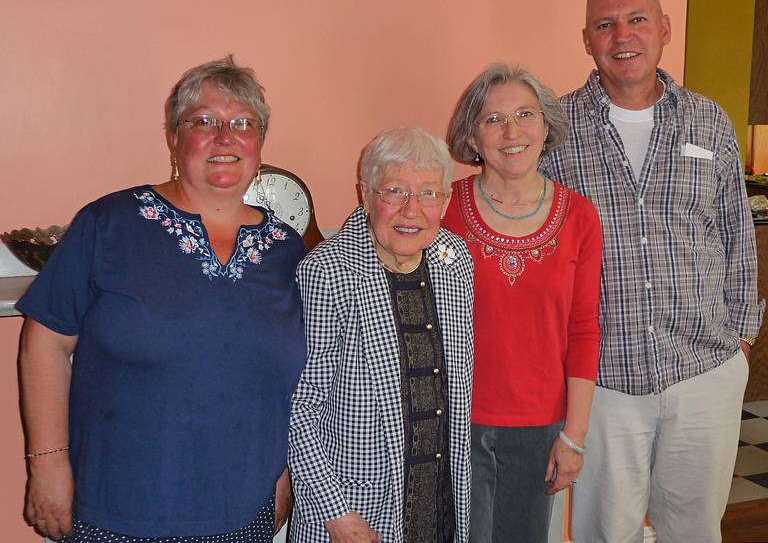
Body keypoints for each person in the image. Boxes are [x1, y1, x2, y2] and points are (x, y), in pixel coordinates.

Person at [17, 56, 307, 542]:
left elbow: (286, 385)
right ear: (174, 137)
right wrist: (47, 465)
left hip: (243, 514)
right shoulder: (108, 225)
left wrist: (282, 475)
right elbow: (44, 344)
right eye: (203, 122)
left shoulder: (287, 250)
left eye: (243, 124)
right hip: (117, 512)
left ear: (260, 142)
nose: (225, 137)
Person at [541, 0, 765, 542]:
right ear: (586, 40)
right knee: (604, 533)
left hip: (703, 371)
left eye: (637, 19)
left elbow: (738, 235)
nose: (623, 35)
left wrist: (739, 338)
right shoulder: (553, 132)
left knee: (694, 530)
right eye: (605, 24)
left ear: (664, 29)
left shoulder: (709, 121)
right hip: (604, 382)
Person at [288, 127, 474, 543]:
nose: (412, 210)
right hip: (355, 514)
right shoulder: (327, 271)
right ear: (365, 195)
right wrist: (335, 512)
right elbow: (298, 408)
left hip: (439, 500)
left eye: (429, 194)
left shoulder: (454, 258)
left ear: (444, 200)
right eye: (394, 191)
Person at [442, 64, 603, 543]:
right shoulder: (441, 208)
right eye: (493, 120)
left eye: (525, 115)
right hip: (454, 421)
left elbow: (584, 329)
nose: (511, 132)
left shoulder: (579, 215)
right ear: (472, 137)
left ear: (546, 125)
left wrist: (574, 436)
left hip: (541, 429)